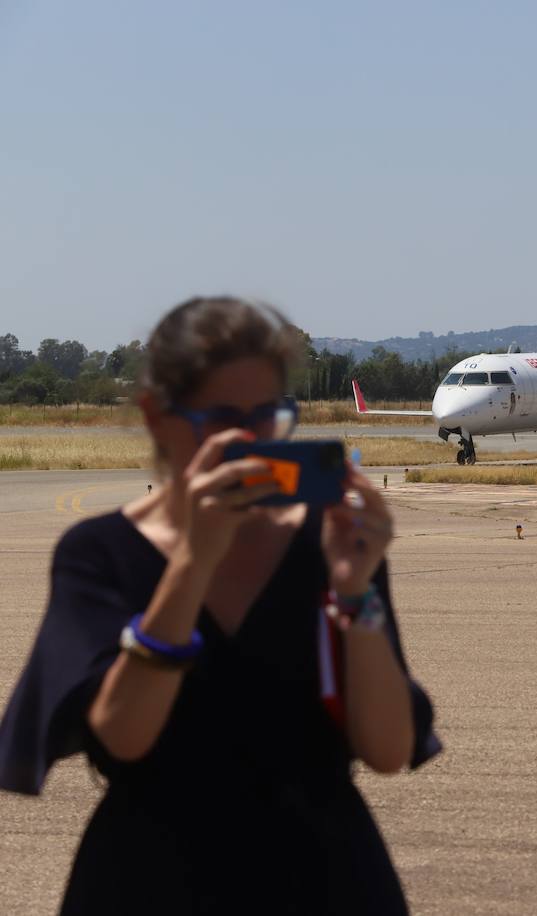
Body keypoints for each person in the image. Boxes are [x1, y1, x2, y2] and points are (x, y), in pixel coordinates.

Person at [0, 297, 441, 914]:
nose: (248, 438)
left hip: (324, 877)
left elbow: (389, 751)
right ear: (157, 416)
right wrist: (192, 564)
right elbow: (124, 737)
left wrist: (354, 588)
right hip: (151, 879)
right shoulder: (99, 553)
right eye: (220, 419)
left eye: (267, 416)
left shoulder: (328, 542)